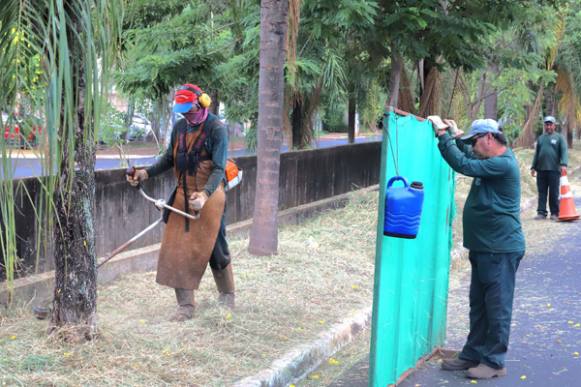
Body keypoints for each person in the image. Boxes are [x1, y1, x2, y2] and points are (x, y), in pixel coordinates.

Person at [127, 83, 235, 322]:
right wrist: (146, 173)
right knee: (176, 249)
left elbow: (218, 168)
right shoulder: (179, 128)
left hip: (210, 195)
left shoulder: (217, 129)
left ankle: (227, 296)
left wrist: (205, 196)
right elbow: (169, 158)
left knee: (216, 248)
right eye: (183, 111)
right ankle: (185, 306)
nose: (187, 115)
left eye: (190, 110)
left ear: (202, 103)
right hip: (182, 195)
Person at [430, 117, 525, 380]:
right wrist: (456, 137)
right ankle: (473, 354)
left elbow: (464, 164)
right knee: (479, 306)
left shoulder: (502, 163)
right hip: (485, 247)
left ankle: (494, 362)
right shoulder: (490, 160)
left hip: (500, 248)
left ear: (489, 138)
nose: (473, 146)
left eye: (475, 141)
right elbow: (468, 156)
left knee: (497, 307)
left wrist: (443, 136)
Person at [530, 116, 568, 221]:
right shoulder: (541, 138)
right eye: (547, 124)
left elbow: (564, 151)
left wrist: (564, 164)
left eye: (550, 124)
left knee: (553, 192)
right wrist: (533, 167)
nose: (548, 126)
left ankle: (554, 213)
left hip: (554, 170)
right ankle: (541, 213)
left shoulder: (559, 138)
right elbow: (537, 154)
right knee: (542, 192)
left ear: (554, 125)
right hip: (541, 170)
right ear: (545, 126)